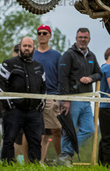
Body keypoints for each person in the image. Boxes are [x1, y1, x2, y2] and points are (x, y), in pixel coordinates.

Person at [0, 36, 46, 163]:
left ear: (33, 48)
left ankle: (34, 166)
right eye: (24, 46)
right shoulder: (9, 64)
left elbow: (43, 87)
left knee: (35, 141)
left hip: (34, 111)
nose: (27, 48)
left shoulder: (39, 67)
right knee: (9, 139)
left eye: (29, 46)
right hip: (14, 110)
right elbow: (0, 84)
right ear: (20, 47)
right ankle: (7, 165)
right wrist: (9, 104)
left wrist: (41, 104)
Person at [58, 28, 102, 164]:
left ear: (89, 39)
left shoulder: (92, 56)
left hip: (87, 99)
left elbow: (99, 74)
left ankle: (66, 153)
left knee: (89, 129)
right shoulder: (69, 55)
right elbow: (62, 77)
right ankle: (65, 158)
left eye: (85, 37)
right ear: (76, 38)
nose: (83, 40)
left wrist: (90, 78)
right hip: (72, 98)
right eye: (80, 37)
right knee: (68, 130)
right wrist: (65, 99)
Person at [32, 24, 63, 162]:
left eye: (45, 33)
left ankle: (62, 159)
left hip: (52, 95)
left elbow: (61, 77)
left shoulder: (56, 55)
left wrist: (60, 98)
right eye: (39, 33)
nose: (42, 35)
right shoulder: (32, 54)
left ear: (50, 36)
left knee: (57, 130)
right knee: (40, 132)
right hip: (35, 96)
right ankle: (39, 162)